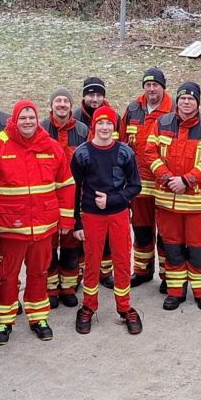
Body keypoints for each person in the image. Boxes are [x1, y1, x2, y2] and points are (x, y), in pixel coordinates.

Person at [0, 100, 75, 344]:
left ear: (37, 119)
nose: (28, 122)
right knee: (7, 276)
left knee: (39, 274)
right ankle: (4, 320)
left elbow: (66, 185)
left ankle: (38, 317)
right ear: (14, 120)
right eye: (23, 118)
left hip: (43, 228)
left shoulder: (51, 147)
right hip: (10, 229)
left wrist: (66, 218)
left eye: (31, 117)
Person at [144, 82, 201, 311]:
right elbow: (150, 153)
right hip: (167, 202)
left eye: (191, 99)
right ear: (177, 101)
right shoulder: (162, 123)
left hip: (196, 204)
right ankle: (175, 292)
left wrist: (187, 180)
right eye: (183, 98)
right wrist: (168, 178)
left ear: (198, 102)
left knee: (198, 249)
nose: (186, 102)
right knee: (173, 249)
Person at [72, 106, 143, 335]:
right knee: (92, 261)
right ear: (94, 126)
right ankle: (88, 306)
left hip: (118, 215)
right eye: (100, 123)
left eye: (109, 123)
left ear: (115, 126)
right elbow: (74, 190)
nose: (104, 127)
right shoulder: (82, 154)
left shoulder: (124, 152)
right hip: (91, 216)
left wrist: (112, 200)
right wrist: (77, 222)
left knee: (122, 260)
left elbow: (135, 186)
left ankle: (124, 307)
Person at [121, 68, 173, 287]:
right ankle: (142, 270)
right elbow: (122, 143)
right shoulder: (133, 109)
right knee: (141, 229)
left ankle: (168, 275)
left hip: (164, 184)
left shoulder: (173, 110)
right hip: (139, 183)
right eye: (148, 85)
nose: (151, 89)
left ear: (163, 87)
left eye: (156, 85)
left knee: (165, 233)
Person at [41, 89, 88, 308]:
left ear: (71, 106)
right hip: (47, 195)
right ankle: (50, 288)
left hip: (74, 195)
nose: (61, 104)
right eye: (57, 101)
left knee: (71, 244)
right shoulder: (41, 129)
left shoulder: (82, 130)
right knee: (49, 245)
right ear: (51, 105)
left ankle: (68, 287)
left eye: (66, 101)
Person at [74, 76, 120, 288]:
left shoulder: (115, 117)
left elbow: (121, 147)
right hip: (85, 182)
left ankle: (105, 272)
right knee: (83, 234)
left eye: (98, 95)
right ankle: (81, 273)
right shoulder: (75, 118)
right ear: (84, 96)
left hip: (110, 184)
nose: (94, 99)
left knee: (108, 238)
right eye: (90, 94)